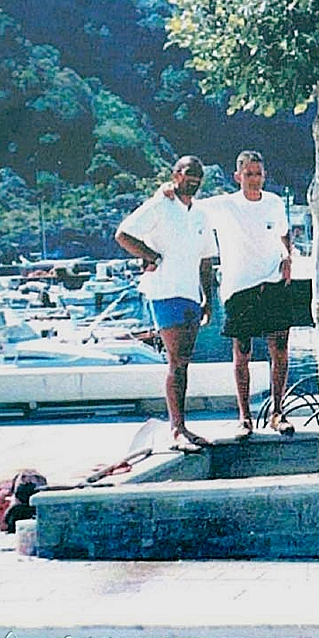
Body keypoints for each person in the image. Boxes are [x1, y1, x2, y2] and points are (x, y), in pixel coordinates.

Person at [116, 155, 218, 452]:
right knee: (177, 361)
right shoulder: (160, 204)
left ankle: (181, 425)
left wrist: (208, 300)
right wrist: (151, 256)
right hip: (164, 292)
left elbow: (206, 260)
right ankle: (176, 429)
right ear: (175, 175)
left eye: (198, 175)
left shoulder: (201, 214)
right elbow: (123, 234)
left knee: (184, 361)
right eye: (188, 174)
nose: (194, 180)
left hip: (190, 295)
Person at [199, 151, 299, 436]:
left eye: (258, 174)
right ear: (237, 176)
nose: (254, 179)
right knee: (242, 352)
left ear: (264, 176)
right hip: (238, 288)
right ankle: (245, 417)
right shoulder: (223, 205)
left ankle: (277, 412)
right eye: (248, 174)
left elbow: (284, 233)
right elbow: (189, 204)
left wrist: (287, 257)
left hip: (273, 284)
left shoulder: (274, 202)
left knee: (279, 350)